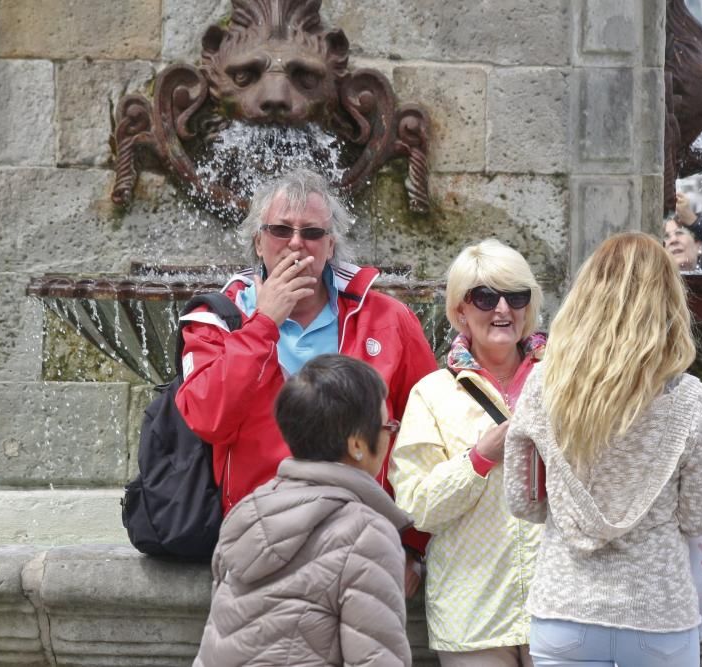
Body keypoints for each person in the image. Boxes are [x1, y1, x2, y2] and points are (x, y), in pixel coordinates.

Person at [175, 169, 437, 592]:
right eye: (280, 230)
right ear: (258, 241)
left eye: (312, 232)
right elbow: (208, 419)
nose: (296, 243)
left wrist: (412, 544)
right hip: (261, 538)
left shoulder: (388, 319)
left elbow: (431, 438)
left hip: (363, 539)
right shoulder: (214, 322)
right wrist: (264, 324)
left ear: (330, 246)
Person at [504, 232, 702, 667]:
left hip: (565, 608)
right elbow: (697, 517)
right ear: (668, 302)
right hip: (658, 615)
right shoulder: (688, 398)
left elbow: (522, 501)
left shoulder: (544, 386)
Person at [193, 355, 413, 667]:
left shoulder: (249, 511)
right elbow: (376, 658)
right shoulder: (366, 532)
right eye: (387, 425)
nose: (390, 434)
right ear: (357, 445)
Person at [390, 239, 546, 666]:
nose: (502, 309)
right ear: (460, 310)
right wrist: (479, 458)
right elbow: (417, 507)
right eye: (484, 297)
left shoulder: (562, 382)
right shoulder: (431, 393)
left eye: (515, 297)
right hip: (471, 620)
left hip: (559, 610)